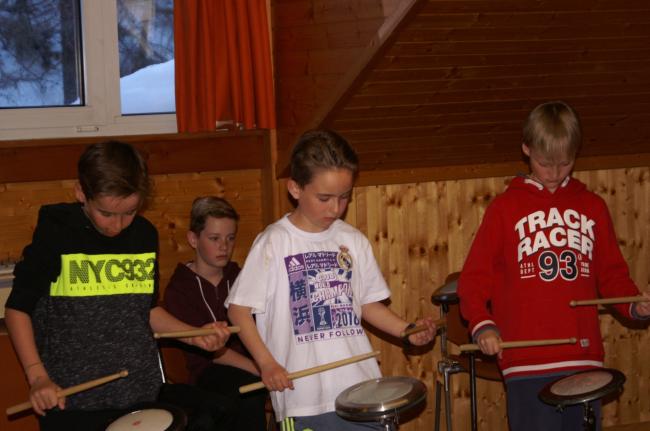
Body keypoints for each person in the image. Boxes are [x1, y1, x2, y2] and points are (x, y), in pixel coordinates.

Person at [5, 141, 231, 431]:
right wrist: (37, 377)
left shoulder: (144, 236)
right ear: (81, 193)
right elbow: (17, 309)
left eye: (130, 212)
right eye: (107, 213)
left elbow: (145, 310)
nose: (118, 225)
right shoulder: (58, 233)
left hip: (138, 395)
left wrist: (194, 336)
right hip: (71, 401)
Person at [457, 101, 650, 431]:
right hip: (526, 362)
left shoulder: (592, 206)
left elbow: (612, 275)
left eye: (565, 163)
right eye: (545, 163)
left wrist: (635, 305)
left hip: (583, 358)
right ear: (526, 149)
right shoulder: (504, 208)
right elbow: (473, 280)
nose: (555, 173)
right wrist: (483, 324)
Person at [226, 129, 437, 431]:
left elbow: (367, 305)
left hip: (360, 389)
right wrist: (267, 363)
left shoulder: (352, 240)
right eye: (324, 198)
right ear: (295, 188)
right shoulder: (274, 242)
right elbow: (239, 310)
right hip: (301, 398)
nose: (335, 208)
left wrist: (407, 331)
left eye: (344, 197)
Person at [164, 196, 267, 430]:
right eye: (214, 238)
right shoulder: (180, 289)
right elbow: (214, 353)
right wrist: (261, 368)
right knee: (247, 391)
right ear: (193, 239)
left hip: (253, 362)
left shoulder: (239, 276)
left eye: (230, 238)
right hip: (207, 373)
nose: (224, 246)